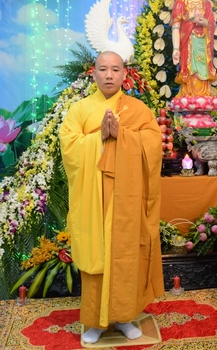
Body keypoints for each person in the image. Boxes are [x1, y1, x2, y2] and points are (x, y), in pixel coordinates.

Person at [59, 51, 164, 344]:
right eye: (103, 69)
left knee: (125, 255)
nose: (109, 75)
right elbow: (69, 148)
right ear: (93, 73)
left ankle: (125, 317)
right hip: (93, 197)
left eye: (115, 69)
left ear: (124, 75)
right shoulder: (79, 110)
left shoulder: (138, 110)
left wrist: (123, 135)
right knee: (97, 257)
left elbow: (153, 145)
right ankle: (94, 321)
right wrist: (99, 138)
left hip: (126, 198)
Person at [171, 0, 217, 97]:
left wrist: (204, 22)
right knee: (189, 68)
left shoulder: (206, 3)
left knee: (203, 68)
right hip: (187, 43)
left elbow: (211, 23)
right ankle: (188, 94)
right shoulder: (180, 3)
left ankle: (204, 94)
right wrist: (176, 49)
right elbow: (176, 27)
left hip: (203, 42)